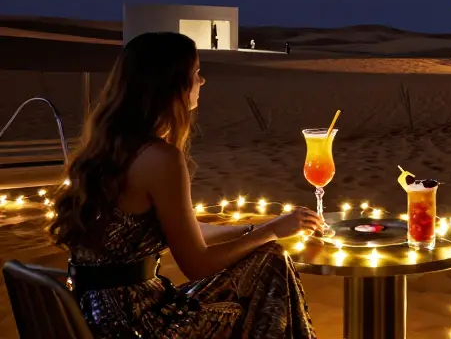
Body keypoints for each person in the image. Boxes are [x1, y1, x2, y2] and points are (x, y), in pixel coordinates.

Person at [49, 32, 322, 338]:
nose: (202, 82)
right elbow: (196, 263)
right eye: (196, 73)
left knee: (266, 254)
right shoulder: (160, 159)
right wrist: (271, 232)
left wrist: (256, 228)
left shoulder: (113, 147)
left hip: (97, 313)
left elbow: (185, 229)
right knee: (271, 262)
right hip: (139, 324)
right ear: (173, 85)